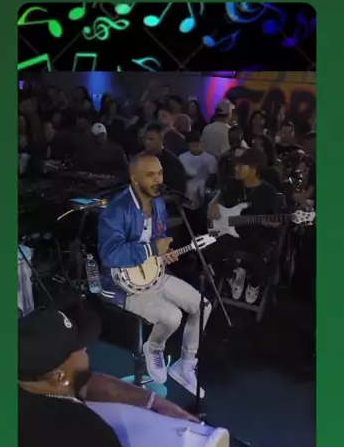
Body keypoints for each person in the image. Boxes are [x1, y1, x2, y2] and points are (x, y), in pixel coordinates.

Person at [19, 308, 212, 447]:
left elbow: (87, 382)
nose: (86, 347)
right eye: (79, 348)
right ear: (59, 378)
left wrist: (156, 403)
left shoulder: (27, 377)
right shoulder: (86, 435)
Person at [98, 153, 212, 396]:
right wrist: (152, 249)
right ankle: (154, 348)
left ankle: (185, 365)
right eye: (150, 175)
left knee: (202, 306)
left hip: (155, 273)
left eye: (160, 173)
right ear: (134, 179)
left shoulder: (159, 203)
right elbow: (110, 255)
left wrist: (165, 252)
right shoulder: (116, 210)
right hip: (122, 286)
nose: (158, 179)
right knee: (172, 316)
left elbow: (158, 240)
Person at [207, 148, 281, 305]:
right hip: (229, 234)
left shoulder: (269, 193)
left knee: (260, 254)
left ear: (254, 169)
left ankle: (253, 282)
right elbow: (216, 201)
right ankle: (233, 274)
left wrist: (272, 223)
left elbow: (277, 222)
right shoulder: (231, 185)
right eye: (237, 165)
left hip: (255, 238)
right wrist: (213, 205)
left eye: (242, 166)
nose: (236, 168)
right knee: (205, 250)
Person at [143, 122, 187, 194]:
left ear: (161, 138)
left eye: (151, 139)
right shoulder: (140, 160)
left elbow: (178, 192)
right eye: (145, 139)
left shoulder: (173, 164)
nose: (146, 143)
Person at [179, 131, 217, 210]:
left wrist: (207, 191)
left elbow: (213, 177)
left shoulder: (210, 158)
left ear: (201, 143)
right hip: (188, 193)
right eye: (192, 146)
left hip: (205, 191)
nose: (194, 148)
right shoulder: (183, 157)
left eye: (196, 145)